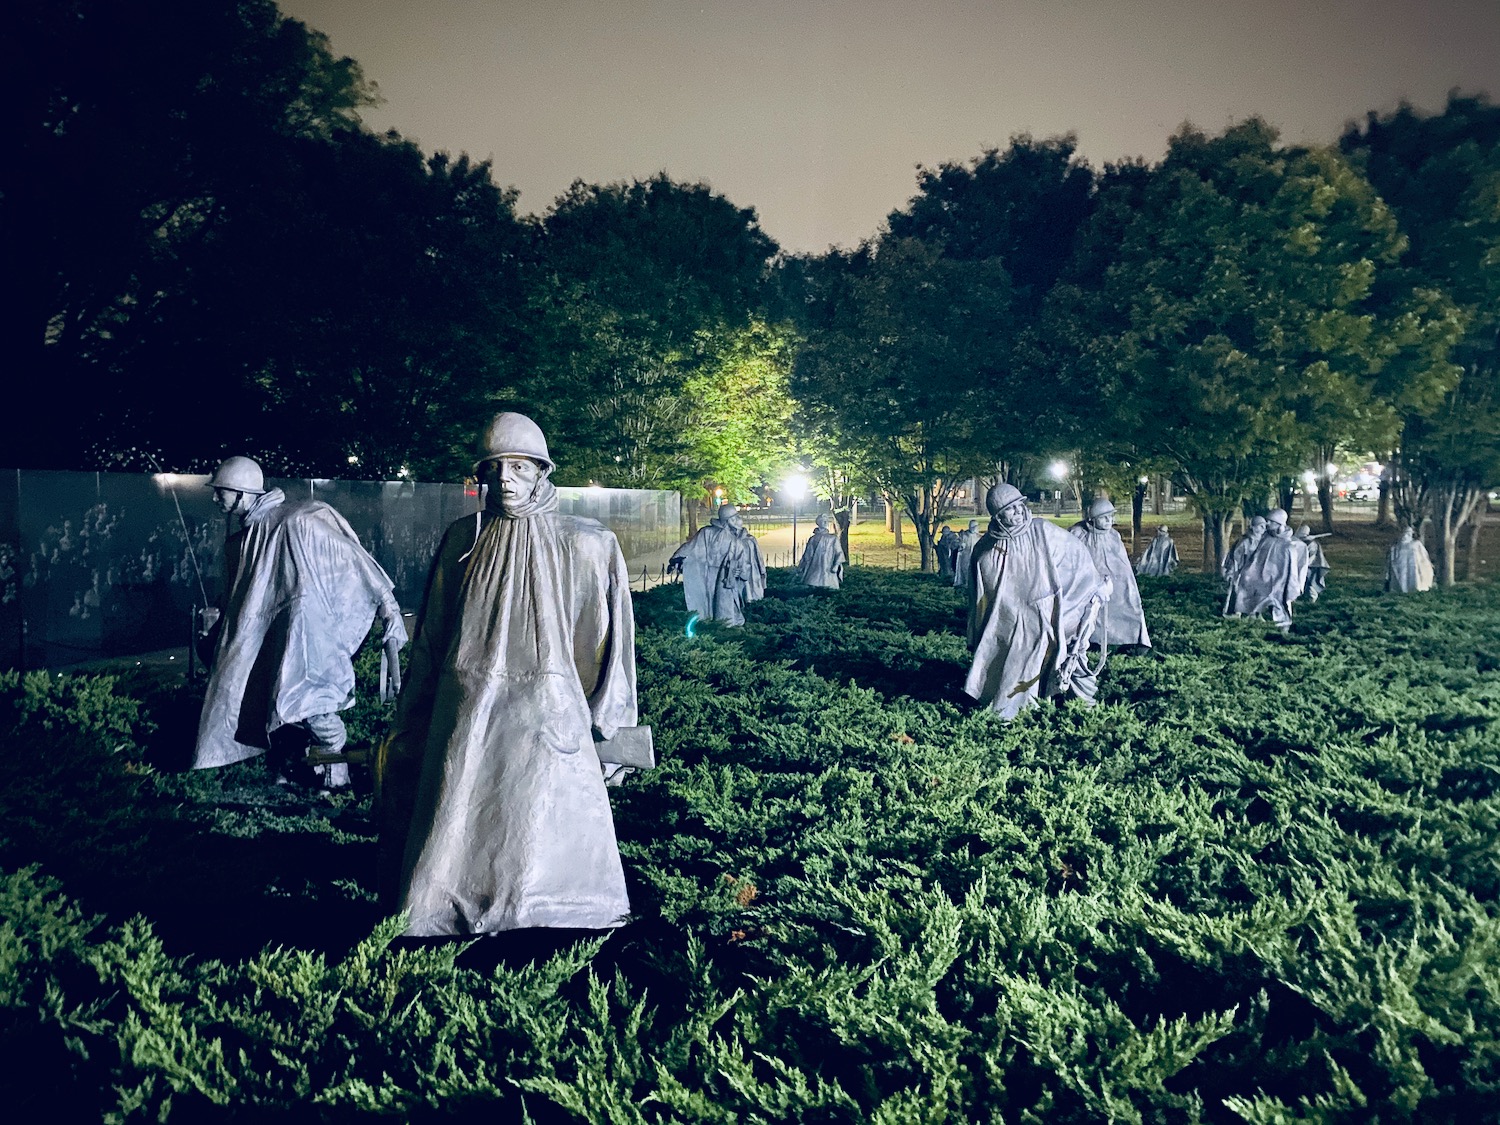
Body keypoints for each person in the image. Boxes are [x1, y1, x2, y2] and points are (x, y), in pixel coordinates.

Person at [381, 413, 639, 937]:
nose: (505, 478)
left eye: (519, 465)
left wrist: (609, 722)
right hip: (468, 704)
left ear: (541, 471)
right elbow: (432, 636)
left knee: (540, 818)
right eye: (495, 466)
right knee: (461, 816)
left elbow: (606, 643)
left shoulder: (587, 543)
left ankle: (551, 905)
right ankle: (450, 903)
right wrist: (415, 714)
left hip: (548, 710)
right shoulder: (462, 540)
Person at [193, 456, 406, 789]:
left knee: (312, 704)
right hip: (269, 634)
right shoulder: (242, 539)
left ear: (241, 492)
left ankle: (336, 776)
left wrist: (389, 613)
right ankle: (301, 767)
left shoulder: (294, 521)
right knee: (271, 701)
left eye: (221, 491)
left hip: (307, 633)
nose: (216, 498)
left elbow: (355, 561)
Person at [964, 484, 1110, 719]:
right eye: (1010, 510)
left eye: (1019, 505)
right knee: (1013, 666)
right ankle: (1010, 712)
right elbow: (981, 597)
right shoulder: (985, 550)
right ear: (998, 516)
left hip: (1048, 611)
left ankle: (1072, 706)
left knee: (1064, 655)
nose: (1019, 512)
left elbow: (1076, 557)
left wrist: (1094, 586)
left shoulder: (1042, 530)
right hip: (1011, 621)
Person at [1069, 499, 1150, 649]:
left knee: (1130, 605)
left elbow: (1123, 568)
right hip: (1089, 586)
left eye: (1111, 516)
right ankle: (1089, 641)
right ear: (1092, 518)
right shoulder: (1078, 534)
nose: (1109, 520)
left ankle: (1130, 640)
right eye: (1103, 517)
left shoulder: (1114, 536)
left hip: (1116, 585)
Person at [669, 503, 762, 625]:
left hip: (718, 577)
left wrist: (675, 559)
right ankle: (720, 629)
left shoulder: (716, 535)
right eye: (735, 517)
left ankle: (719, 628)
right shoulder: (717, 536)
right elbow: (690, 546)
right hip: (715, 577)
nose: (738, 520)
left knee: (718, 605)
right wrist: (677, 558)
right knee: (717, 605)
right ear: (730, 521)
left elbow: (688, 547)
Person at [1226, 509, 1309, 631]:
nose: (1267, 524)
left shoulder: (1290, 545)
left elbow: (1294, 569)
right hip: (1262, 579)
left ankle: (1283, 631)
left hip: (1280, 583)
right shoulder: (1266, 539)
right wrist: (1246, 573)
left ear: (1280, 524)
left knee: (1281, 604)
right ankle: (1252, 621)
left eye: (1271, 522)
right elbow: (1256, 559)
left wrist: (1292, 585)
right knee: (1247, 591)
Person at [1221, 515, 1267, 616]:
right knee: (1239, 594)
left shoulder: (1265, 542)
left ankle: (1255, 614)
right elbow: (1235, 558)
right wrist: (1232, 572)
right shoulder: (1245, 541)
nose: (1263, 528)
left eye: (1264, 526)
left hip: (1258, 574)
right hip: (1243, 573)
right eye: (1260, 526)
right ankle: (1235, 614)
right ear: (1253, 527)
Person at [796, 513, 846, 589]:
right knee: (813, 585)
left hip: (828, 570)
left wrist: (836, 565)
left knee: (828, 586)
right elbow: (807, 555)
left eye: (826, 521)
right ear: (818, 523)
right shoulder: (813, 539)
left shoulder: (833, 538)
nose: (825, 522)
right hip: (815, 568)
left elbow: (839, 553)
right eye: (823, 521)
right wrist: (801, 567)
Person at [1386, 526, 1434, 592]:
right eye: (1405, 533)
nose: (1405, 535)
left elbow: (1423, 556)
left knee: (1414, 578)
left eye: (1408, 533)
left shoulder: (1416, 544)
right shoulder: (1396, 546)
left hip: (1414, 567)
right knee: (1402, 578)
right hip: (1401, 567)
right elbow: (1392, 558)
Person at [1294, 524, 1331, 602]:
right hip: (1301, 566)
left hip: (1310, 566)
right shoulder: (1298, 542)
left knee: (1310, 583)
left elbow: (1309, 556)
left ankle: (1312, 599)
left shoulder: (1312, 544)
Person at [952, 519, 982, 590]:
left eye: (976, 527)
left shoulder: (978, 537)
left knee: (974, 570)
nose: (975, 528)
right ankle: (966, 583)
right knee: (965, 569)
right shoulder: (964, 535)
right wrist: (960, 545)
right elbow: (957, 544)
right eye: (974, 527)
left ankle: (973, 584)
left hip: (975, 556)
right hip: (965, 556)